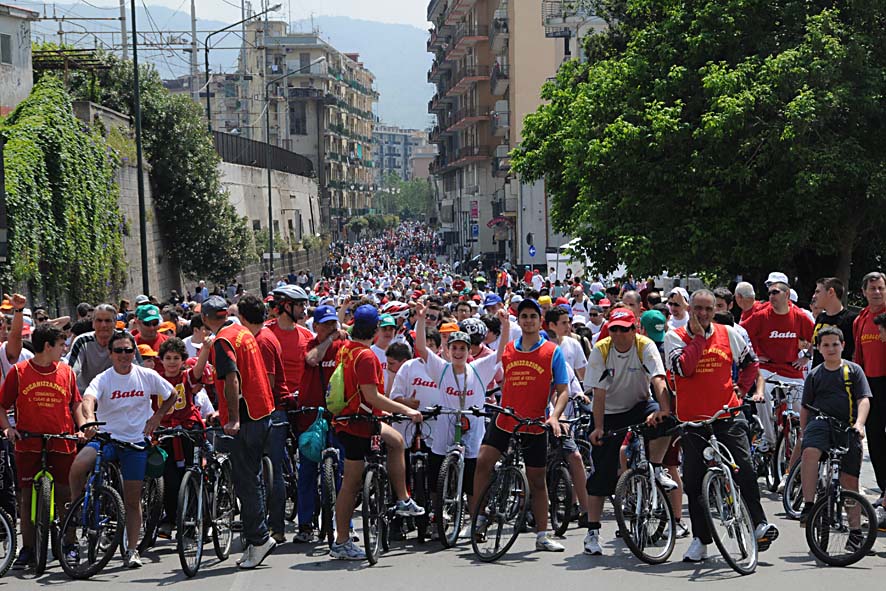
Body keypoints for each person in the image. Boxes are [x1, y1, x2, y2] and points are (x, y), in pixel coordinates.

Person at [664, 289, 777, 563]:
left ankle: (759, 522)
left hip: (727, 415)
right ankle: (701, 540)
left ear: (715, 311)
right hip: (693, 421)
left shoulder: (729, 333)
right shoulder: (673, 337)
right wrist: (699, 340)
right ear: (690, 309)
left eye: (708, 310)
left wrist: (742, 388)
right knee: (693, 481)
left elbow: (751, 364)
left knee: (745, 468)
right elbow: (684, 369)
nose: (703, 314)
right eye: (698, 309)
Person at [69, 330, 177, 568]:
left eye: (128, 350)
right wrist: (88, 420)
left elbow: (172, 394)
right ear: (110, 354)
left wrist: (157, 417)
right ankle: (77, 509)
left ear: (133, 352)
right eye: (118, 351)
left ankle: (131, 550)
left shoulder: (146, 375)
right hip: (107, 438)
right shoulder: (104, 378)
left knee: (132, 500)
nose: (124, 355)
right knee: (79, 465)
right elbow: (88, 400)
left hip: (135, 443)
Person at [469, 298, 569, 552]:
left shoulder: (552, 352)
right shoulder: (509, 350)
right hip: (505, 419)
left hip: (535, 423)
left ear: (539, 321)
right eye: (523, 316)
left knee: (537, 479)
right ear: (519, 320)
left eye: (532, 316)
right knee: (483, 462)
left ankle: (543, 534)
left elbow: (563, 389)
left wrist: (554, 416)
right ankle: (478, 518)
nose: (528, 321)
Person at [329, 305, 425, 561]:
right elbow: (373, 397)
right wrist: (406, 410)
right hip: (359, 422)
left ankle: (403, 498)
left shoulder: (346, 350)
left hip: (352, 419)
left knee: (396, 441)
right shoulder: (367, 356)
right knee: (351, 484)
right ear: (374, 330)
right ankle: (341, 541)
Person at [583, 309, 677, 555]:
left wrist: (664, 409)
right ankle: (592, 532)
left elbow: (658, 378)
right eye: (614, 329)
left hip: (639, 405)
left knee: (668, 421)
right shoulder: (601, 349)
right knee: (602, 474)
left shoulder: (644, 345)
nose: (619, 334)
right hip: (609, 412)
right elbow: (599, 394)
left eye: (625, 328)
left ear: (634, 329)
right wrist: (600, 427)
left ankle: (656, 467)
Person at [202, 295, 277, 569]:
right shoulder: (242, 332)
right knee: (251, 479)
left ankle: (259, 540)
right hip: (261, 412)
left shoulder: (223, 341)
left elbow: (231, 378)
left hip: (246, 418)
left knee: (246, 481)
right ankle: (255, 539)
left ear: (204, 319)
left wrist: (232, 418)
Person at [0, 324, 82, 570]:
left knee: (65, 495)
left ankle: (70, 544)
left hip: (62, 440)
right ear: (48, 346)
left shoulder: (67, 372)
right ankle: (28, 548)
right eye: (61, 344)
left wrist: (82, 427)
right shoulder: (19, 372)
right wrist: (7, 428)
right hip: (28, 441)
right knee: (26, 498)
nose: (64, 349)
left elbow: (75, 404)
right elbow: (2, 405)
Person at [798, 327, 870, 542]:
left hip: (847, 426)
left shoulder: (853, 371)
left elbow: (863, 399)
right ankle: (809, 504)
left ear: (843, 346)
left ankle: (855, 532)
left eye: (835, 344)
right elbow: (805, 407)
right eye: (826, 345)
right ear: (819, 348)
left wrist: (859, 424)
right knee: (810, 452)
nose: (831, 349)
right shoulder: (814, 375)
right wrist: (804, 432)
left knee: (850, 481)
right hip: (820, 423)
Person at [237, 294, 291, 544]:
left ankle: (275, 526)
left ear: (243, 318)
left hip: (270, 411)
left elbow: (267, 383)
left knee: (271, 470)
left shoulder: (262, 341)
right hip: (264, 410)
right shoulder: (257, 337)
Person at [740, 273, 813, 455]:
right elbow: (740, 332)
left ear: (787, 295)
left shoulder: (800, 316)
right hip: (767, 368)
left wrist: (806, 357)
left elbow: (818, 337)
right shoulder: (762, 315)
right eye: (770, 292)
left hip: (791, 369)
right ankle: (768, 437)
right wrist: (755, 355)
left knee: (802, 409)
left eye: (775, 292)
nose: (771, 295)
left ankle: (802, 444)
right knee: (761, 394)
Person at [295, 305, 348, 543]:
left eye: (333, 324)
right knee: (306, 471)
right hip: (310, 417)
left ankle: (342, 522)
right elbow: (311, 359)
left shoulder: (344, 345)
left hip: (337, 416)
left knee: (340, 471)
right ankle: (306, 523)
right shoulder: (310, 344)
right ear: (315, 326)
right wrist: (327, 341)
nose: (330, 328)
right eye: (325, 324)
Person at [154, 337, 213, 539]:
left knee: (194, 475)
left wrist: (205, 349)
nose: (171, 362)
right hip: (165, 433)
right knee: (169, 479)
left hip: (188, 430)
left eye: (176, 358)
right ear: (161, 360)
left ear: (182, 360)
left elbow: (198, 371)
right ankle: (171, 519)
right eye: (168, 358)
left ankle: (201, 520)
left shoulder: (186, 377)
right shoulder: (155, 379)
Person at [852, 271, 886, 502]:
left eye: (881, 288)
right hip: (871, 385)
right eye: (872, 289)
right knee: (874, 440)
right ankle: (884, 491)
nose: (877, 292)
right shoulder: (861, 319)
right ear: (863, 292)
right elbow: (859, 356)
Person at [68, 304, 129, 393]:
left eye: (108, 321)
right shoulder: (82, 341)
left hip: (118, 394)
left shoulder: (126, 340)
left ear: (115, 323)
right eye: (99, 321)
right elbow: (72, 371)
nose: (103, 325)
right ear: (93, 323)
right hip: (86, 392)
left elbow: (137, 367)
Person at [810, 277, 856, 366]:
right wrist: (807, 356)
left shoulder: (851, 319)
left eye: (818, 291)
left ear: (831, 292)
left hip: (840, 375)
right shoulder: (820, 318)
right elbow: (814, 344)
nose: (814, 296)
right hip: (818, 374)